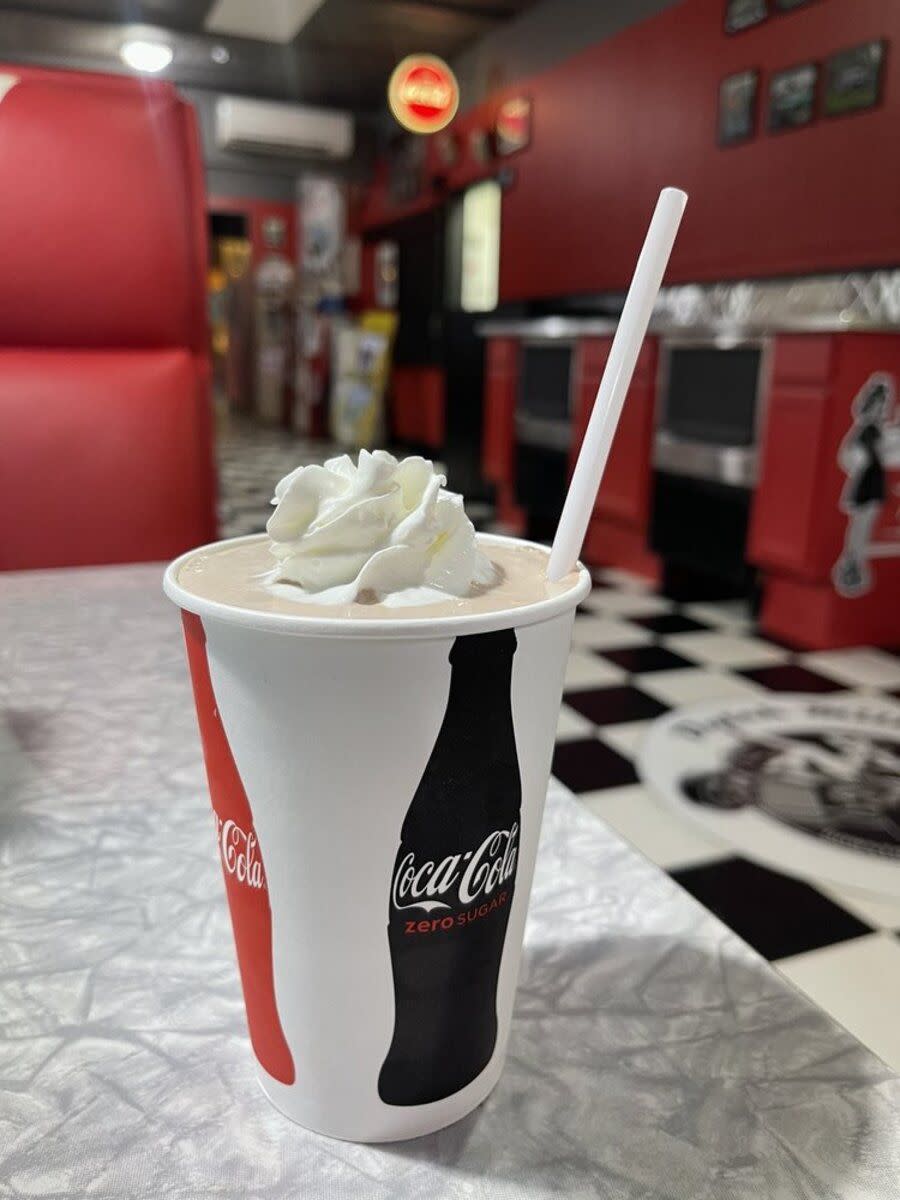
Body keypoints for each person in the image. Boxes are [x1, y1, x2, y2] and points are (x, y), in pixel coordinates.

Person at [832, 375, 895, 597]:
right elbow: (852, 455)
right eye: (878, 406)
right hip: (868, 484)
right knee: (860, 526)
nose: (881, 411)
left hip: (872, 483)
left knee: (862, 526)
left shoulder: (873, 430)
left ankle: (854, 563)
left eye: (883, 406)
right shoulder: (868, 430)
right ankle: (852, 563)